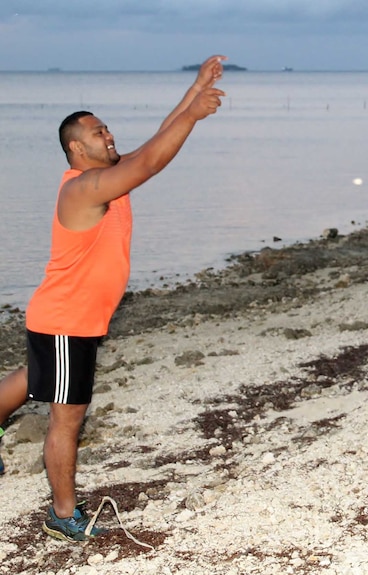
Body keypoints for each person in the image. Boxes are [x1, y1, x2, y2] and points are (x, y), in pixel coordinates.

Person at [0, 54, 226, 542]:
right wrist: (193, 115)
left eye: (108, 128)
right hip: (67, 321)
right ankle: (62, 516)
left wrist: (194, 89)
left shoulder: (108, 172)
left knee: (39, 376)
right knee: (67, 418)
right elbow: (151, 161)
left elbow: (150, 145)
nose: (110, 135)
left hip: (66, 317)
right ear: (76, 148)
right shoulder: (85, 188)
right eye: (100, 132)